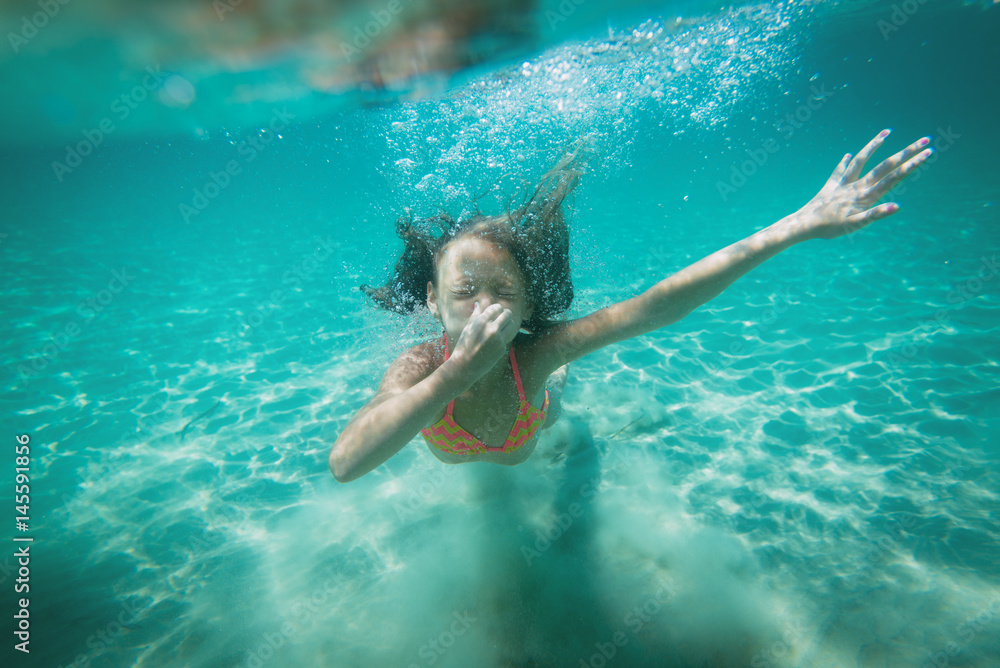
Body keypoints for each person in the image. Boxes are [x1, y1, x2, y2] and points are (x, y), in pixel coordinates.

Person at [330, 129, 932, 483]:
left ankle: (557, 386)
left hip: (527, 425)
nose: (485, 309)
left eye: (505, 293)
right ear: (432, 302)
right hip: (459, 430)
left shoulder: (533, 353)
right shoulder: (419, 367)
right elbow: (347, 463)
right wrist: (458, 373)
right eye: (464, 293)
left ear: (529, 303)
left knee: (553, 397)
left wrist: (795, 227)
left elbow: (653, 308)